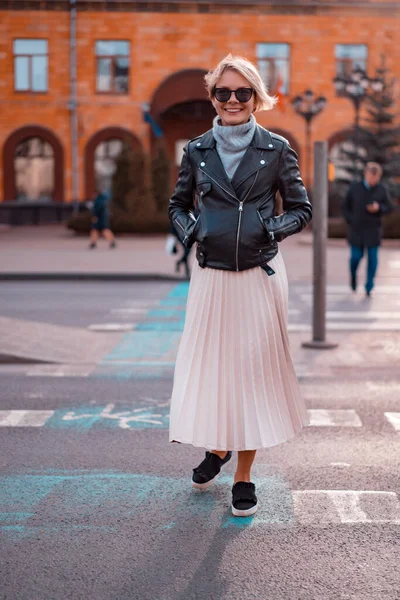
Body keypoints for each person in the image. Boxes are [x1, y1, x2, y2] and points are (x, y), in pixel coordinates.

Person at [168, 54, 312, 517]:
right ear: (213, 97)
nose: (232, 100)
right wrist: (191, 232)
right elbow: (177, 204)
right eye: (223, 92)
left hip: (258, 274)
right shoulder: (197, 149)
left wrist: (271, 230)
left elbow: (300, 208)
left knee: (252, 374)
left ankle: (243, 475)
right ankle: (218, 446)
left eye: (242, 92)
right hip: (211, 275)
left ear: (256, 98)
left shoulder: (277, 148)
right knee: (213, 368)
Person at [342, 162, 393, 297]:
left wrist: (379, 208)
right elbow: (345, 207)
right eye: (372, 176)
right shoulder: (355, 188)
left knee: (373, 261)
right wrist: (351, 220)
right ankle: (353, 276)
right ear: (366, 174)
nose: (374, 180)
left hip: (373, 230)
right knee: (355, 258)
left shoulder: (382, 189)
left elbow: (389, 207)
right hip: (356, 230)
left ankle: (369, 286)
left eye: (376, 178)